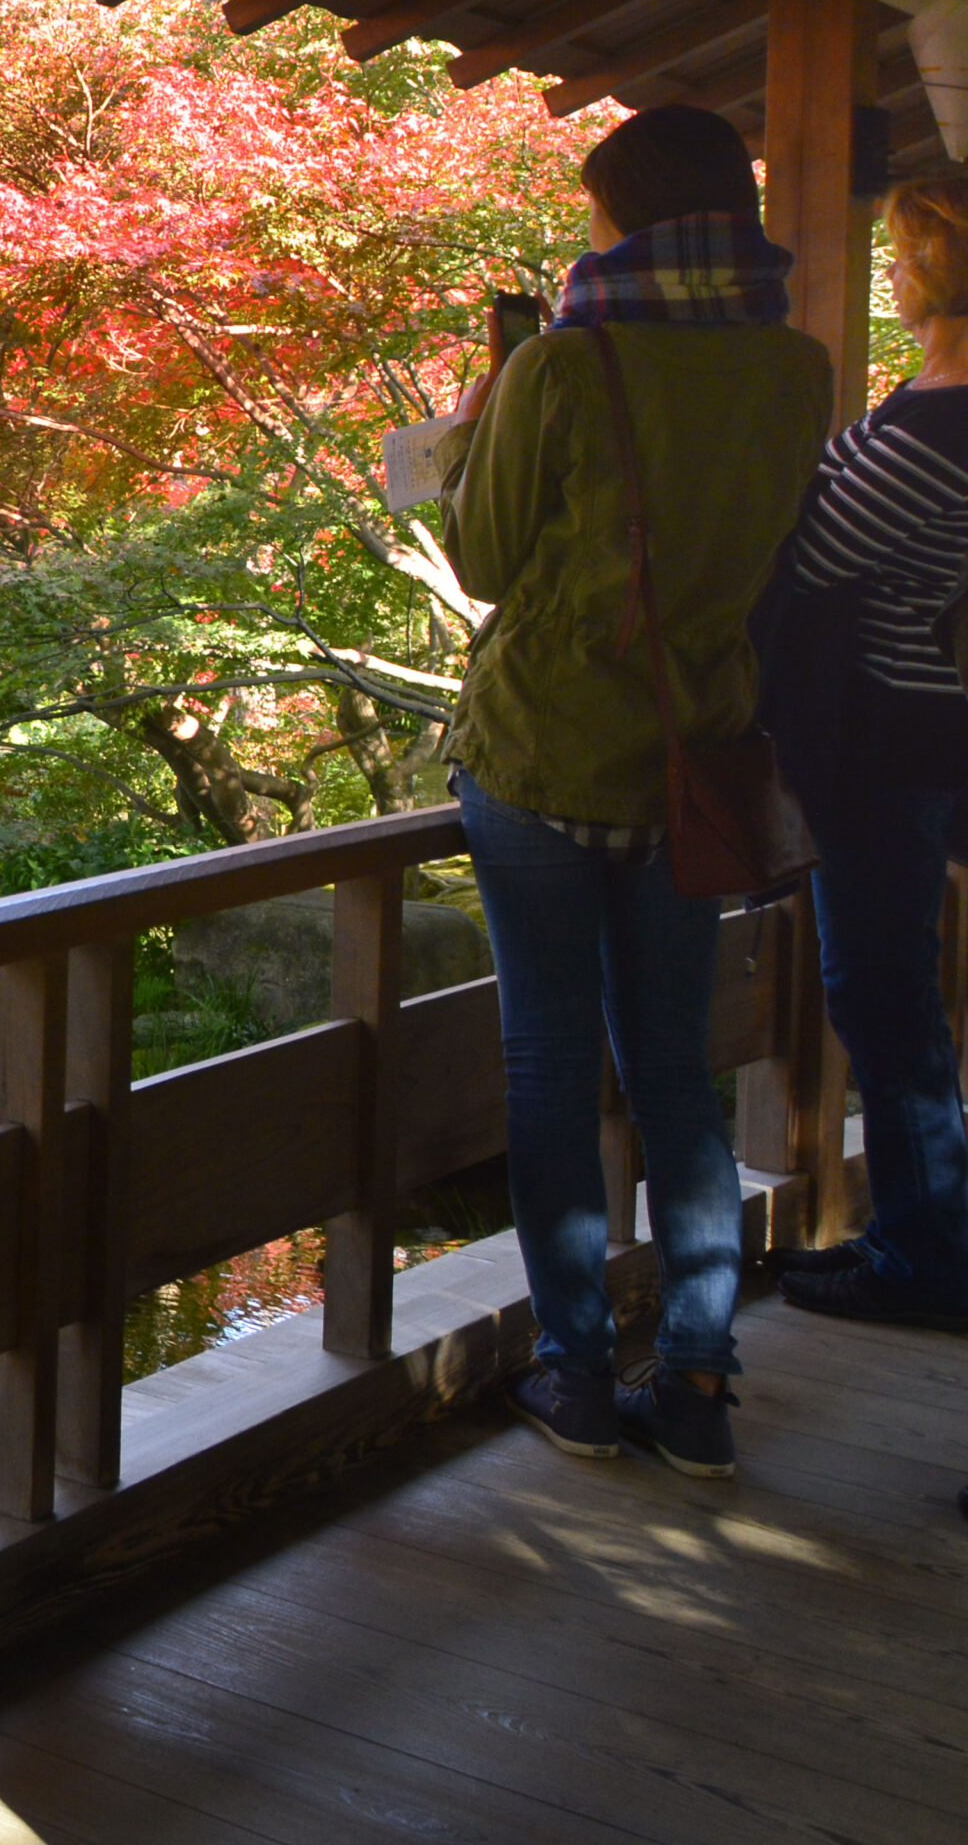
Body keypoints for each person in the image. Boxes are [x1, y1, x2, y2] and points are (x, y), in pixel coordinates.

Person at [439, 105, 833, 1478]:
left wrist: (475, 433)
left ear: (631, 221)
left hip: (542, 757)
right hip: (694, 768)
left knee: (553, 1072)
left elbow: (485, 560)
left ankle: (578, 1376)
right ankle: (702, 1388)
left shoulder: (564, 361)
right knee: (675, 1076)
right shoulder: (797, 369)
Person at [770, 175, 968, 1334]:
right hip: (902, 728)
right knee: (890, 994)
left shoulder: (947, 422)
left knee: (882, 995)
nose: (891, 273)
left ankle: (924, 1256)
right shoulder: (934, 395)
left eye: (907, 256)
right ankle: (915, 1239)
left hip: (887, 740)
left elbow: (808, 555)